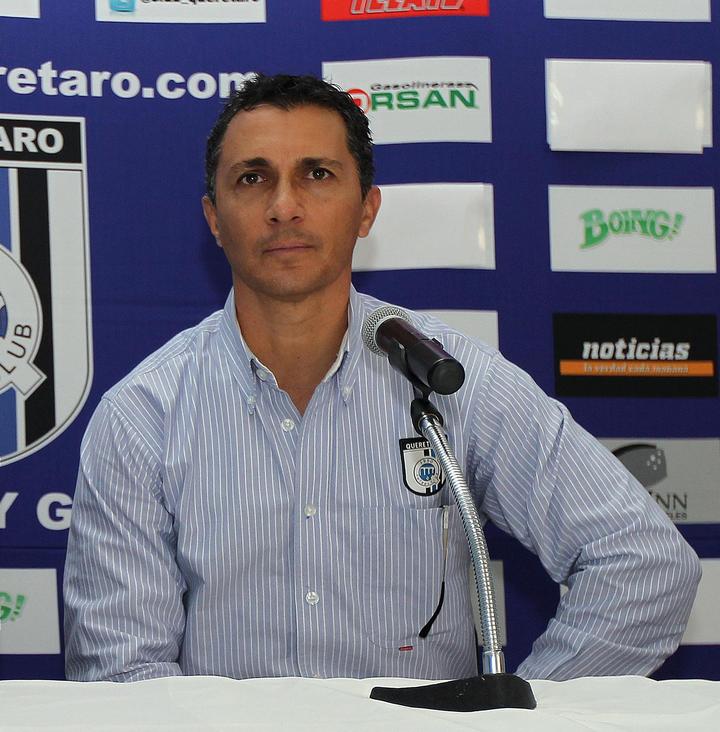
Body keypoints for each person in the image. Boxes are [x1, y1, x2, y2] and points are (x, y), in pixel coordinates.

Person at [63, 73, 700, 683]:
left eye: (317, 174)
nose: (284, 207)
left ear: (366, 209)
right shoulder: (143, 415)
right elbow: (124, 672)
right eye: (253, 178)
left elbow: (645, 566)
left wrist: (516, 715)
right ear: (213, 217)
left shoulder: (451, 380)